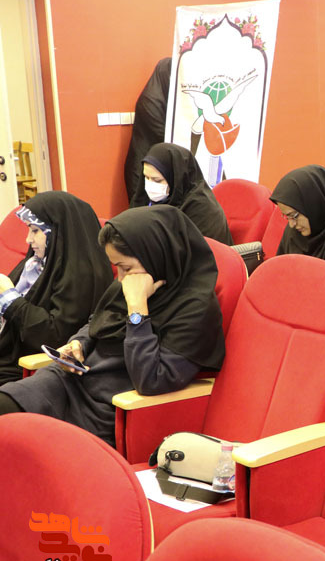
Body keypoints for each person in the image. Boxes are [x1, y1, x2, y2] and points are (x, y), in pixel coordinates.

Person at [0, 205, 226, 445]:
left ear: (157, 257)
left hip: (109, 406)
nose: (121, 278)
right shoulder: (130, 281)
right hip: (70, 381)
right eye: (117, 267)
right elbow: (97, 320)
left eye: (126, 268)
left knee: (24, 448)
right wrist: (79, 343)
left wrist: (137, 309)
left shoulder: (195, 310)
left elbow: (150, 380)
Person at [0, 192, 113, 384]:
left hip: (22, 367)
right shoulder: (37, 261)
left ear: (58, 232)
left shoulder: (80, 275)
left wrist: (11, 301)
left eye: (35, 231)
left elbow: (55, 336)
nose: (28, 239)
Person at [130, 142, 233, 245]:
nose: (150, 185)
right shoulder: (146, 198)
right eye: (146, 177)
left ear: (176, 178)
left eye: (157, 180)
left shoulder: (202, 211)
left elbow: (200, 251)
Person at [124, 57, 171, 200]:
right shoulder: (150, 101)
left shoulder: (161, 94)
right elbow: (168, 137)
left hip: (157, 170)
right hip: (145, 170)